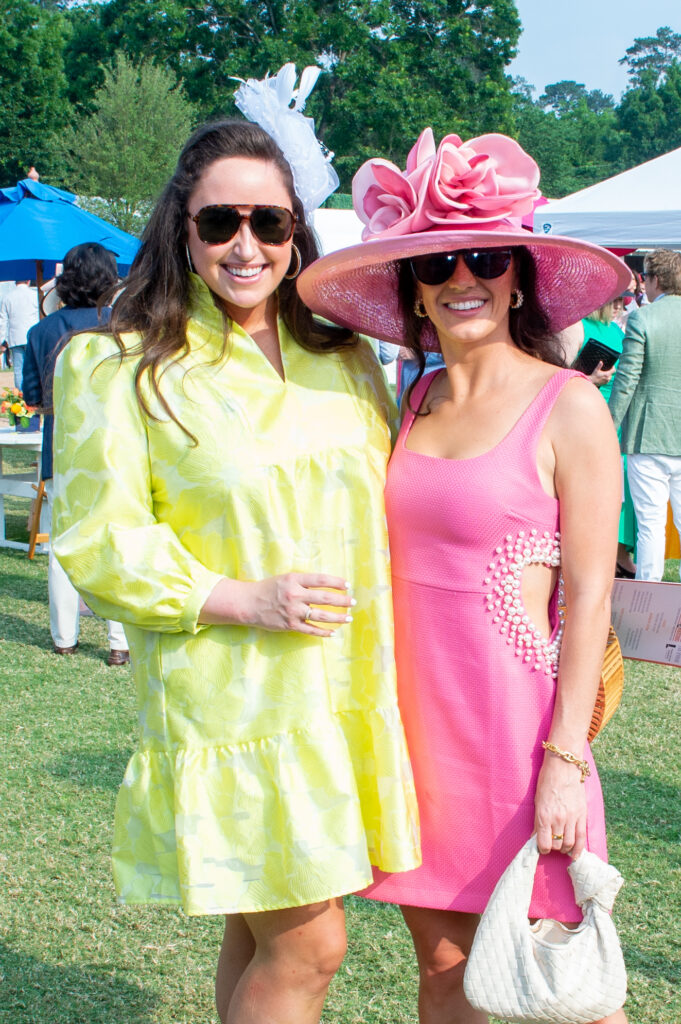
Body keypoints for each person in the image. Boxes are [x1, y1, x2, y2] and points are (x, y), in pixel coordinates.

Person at [51, 105, 419, 1024]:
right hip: (232, 701)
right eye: (220, 221)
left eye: (269, 221)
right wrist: (239, 597)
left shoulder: (343, 359)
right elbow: (99, 537)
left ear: (297, 233)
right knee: (311, 942)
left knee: (260, 935)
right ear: (183, 230)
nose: (245, 244)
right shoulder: (118, 364)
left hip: (345, 691)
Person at [299, 127, 630, 1024]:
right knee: (446, 971)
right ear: (412, 288)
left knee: (566, 984)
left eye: (483, 254)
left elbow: (590, 600)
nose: (462, 277)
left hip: (523, 741)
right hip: (416, 738)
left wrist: (565, 758)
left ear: (517, 274)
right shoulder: (409, 399)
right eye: (436, 262)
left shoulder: (570, 408)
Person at [22, 243, 130, 664]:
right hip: (118, 448)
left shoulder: (41, 332)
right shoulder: (125, 326)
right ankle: (119, 642)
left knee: (62, 547)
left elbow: (33, 396)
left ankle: (64, 637)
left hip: (61, 448)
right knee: (119, 540)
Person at [608, 248, 681, 581]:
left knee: (651, 525)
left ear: (655, 279)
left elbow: (626, 380)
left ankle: (649, 599)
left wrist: (608, 426)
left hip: (647, 434)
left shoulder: (643, 318)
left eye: (646, 276)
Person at [572, 302, 637, 576]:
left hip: (614, 420)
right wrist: (589, 378)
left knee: (620, 491)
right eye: (613, 301)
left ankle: (619, 554)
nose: (617, 306)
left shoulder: (615, 331)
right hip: (585, 414)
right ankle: (607, 555)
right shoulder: (578, 328)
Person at [0, 280, 39, 387]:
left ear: (15, 282)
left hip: (15, 337)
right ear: (29, 281)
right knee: (34, 367)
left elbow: (3, 321)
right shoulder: (34, 295)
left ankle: (20, 396)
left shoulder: (7, 297)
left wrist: (2, 340)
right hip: (33, 336)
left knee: (18, 369)